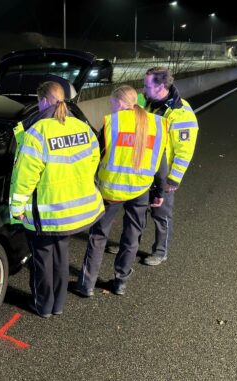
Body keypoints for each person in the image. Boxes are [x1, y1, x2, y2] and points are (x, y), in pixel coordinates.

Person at [10, 81, 104, 318]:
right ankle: (58, 305)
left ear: (42, 101)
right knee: (60, 256)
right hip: (72, 210)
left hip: (45, 211)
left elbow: (25, 177)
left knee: (42, 259)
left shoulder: (38, 132)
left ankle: (43, 306)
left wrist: (17, 208)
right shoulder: (81, 127)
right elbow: (93, 161)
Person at [77, 85, 168, 296]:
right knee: (132, 236)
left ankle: (86, 285)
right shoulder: (156, 124)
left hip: (111, 190)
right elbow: (161, 166)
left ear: (119, 103)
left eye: (111, 103)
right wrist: (159, 193)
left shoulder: (112, 123)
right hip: (140, 189)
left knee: (98, 236)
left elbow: (95, 157)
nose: (110, 106)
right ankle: (120, 283)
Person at [141, 67, 199, 266]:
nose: (143, 89)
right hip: (144, 170)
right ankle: (130, 244)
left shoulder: (181, 113)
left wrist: (173, 179)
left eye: (147, 85)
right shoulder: (149, 103)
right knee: (138, 209)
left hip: (163, 175)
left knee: (161, 214)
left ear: (160, 87)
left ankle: (160, 251)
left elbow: (184, 151)